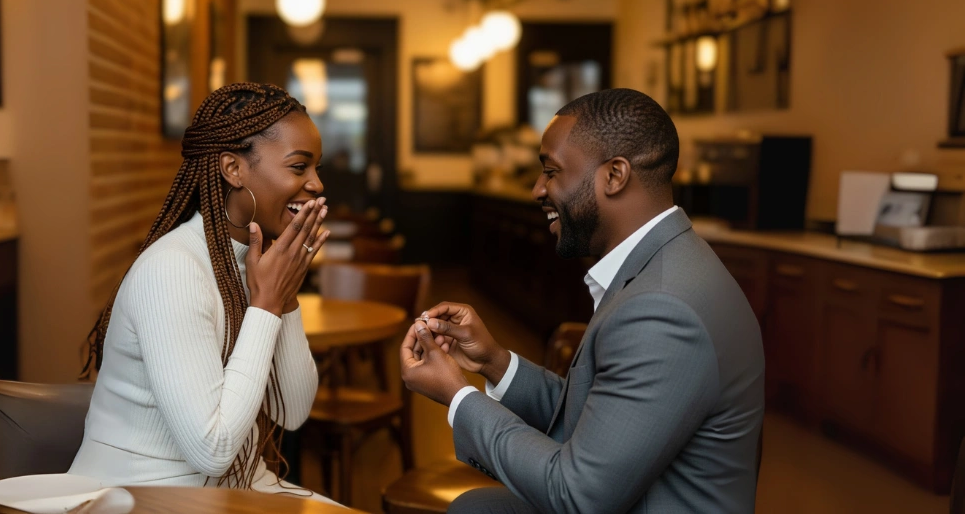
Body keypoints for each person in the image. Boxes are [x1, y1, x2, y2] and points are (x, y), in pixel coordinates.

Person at [400, 89, 765, 513]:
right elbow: (601, 413)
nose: (537, 189)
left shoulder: (662, 310)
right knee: (475, 508)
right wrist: (493, 361)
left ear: (614, 176)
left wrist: (457, 395)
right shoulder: (665, 262)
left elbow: (577, 496)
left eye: (551, 172)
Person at [69, 83, 335, 502]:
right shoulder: (173, 269)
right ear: (233, 168)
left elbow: (292, 411)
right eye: (299, 167)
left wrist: (284, 298)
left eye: (316, 168)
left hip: (232, 490)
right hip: (143, 497)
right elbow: (212, 450)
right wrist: (266, 304)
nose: (316, 184)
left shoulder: (256, 262)